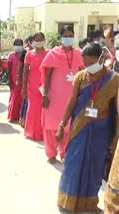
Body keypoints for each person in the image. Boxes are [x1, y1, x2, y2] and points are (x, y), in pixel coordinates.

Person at [56, 43, 118, 213]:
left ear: (101, 59)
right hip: (79, 128)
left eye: (91, 63)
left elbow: (116, 111)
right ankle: (66, 201)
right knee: (73, 163)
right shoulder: (80, 77)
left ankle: (89, 203)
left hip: (101, 131)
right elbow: (71, 102)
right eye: (85, 63)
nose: (88, 67)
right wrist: (62, 125)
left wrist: (115, 136)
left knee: (94, 166)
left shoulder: (114, 80)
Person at [40, 25, 85, 164]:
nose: (68, 38)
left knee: (69, 126)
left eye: (71, 35)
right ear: (61, 37)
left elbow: (83, 72)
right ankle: (51, 153)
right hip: (54, 97)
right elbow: (46, 76)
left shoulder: (78, 53)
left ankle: (65, 152)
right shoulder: (53, 54)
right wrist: (45, 95)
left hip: (71, 96)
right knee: (51, 125)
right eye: (65, 35)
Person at [22, 32, 49, 140]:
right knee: (32, 108)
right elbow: (25, 71)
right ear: (33, 41)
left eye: (41, 39)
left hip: (45, 85)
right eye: (36, 40)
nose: (39, 42)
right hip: (32, 86)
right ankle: (31, 132)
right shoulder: (29, 54)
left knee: (43, 109)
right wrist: (24, 87)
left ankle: (42, 133)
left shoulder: (49, 53)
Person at [19, 35, 34, 127]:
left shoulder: (43, 52)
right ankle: (24, 119)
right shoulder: (25, 52)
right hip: (27, 79)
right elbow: (21, 66)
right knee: (26, 101)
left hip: (38, 81)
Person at [7, 38, 23, 122]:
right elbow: (8, 69)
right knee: (14, 97)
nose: (18, 46)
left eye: (20, 44)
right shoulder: (11, 55)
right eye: (16, 44)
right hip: (13, 79)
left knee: (21, 98)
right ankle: (12, 116)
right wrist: (9, 80)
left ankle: (21, 116)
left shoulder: (24, 55)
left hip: (22, 79)